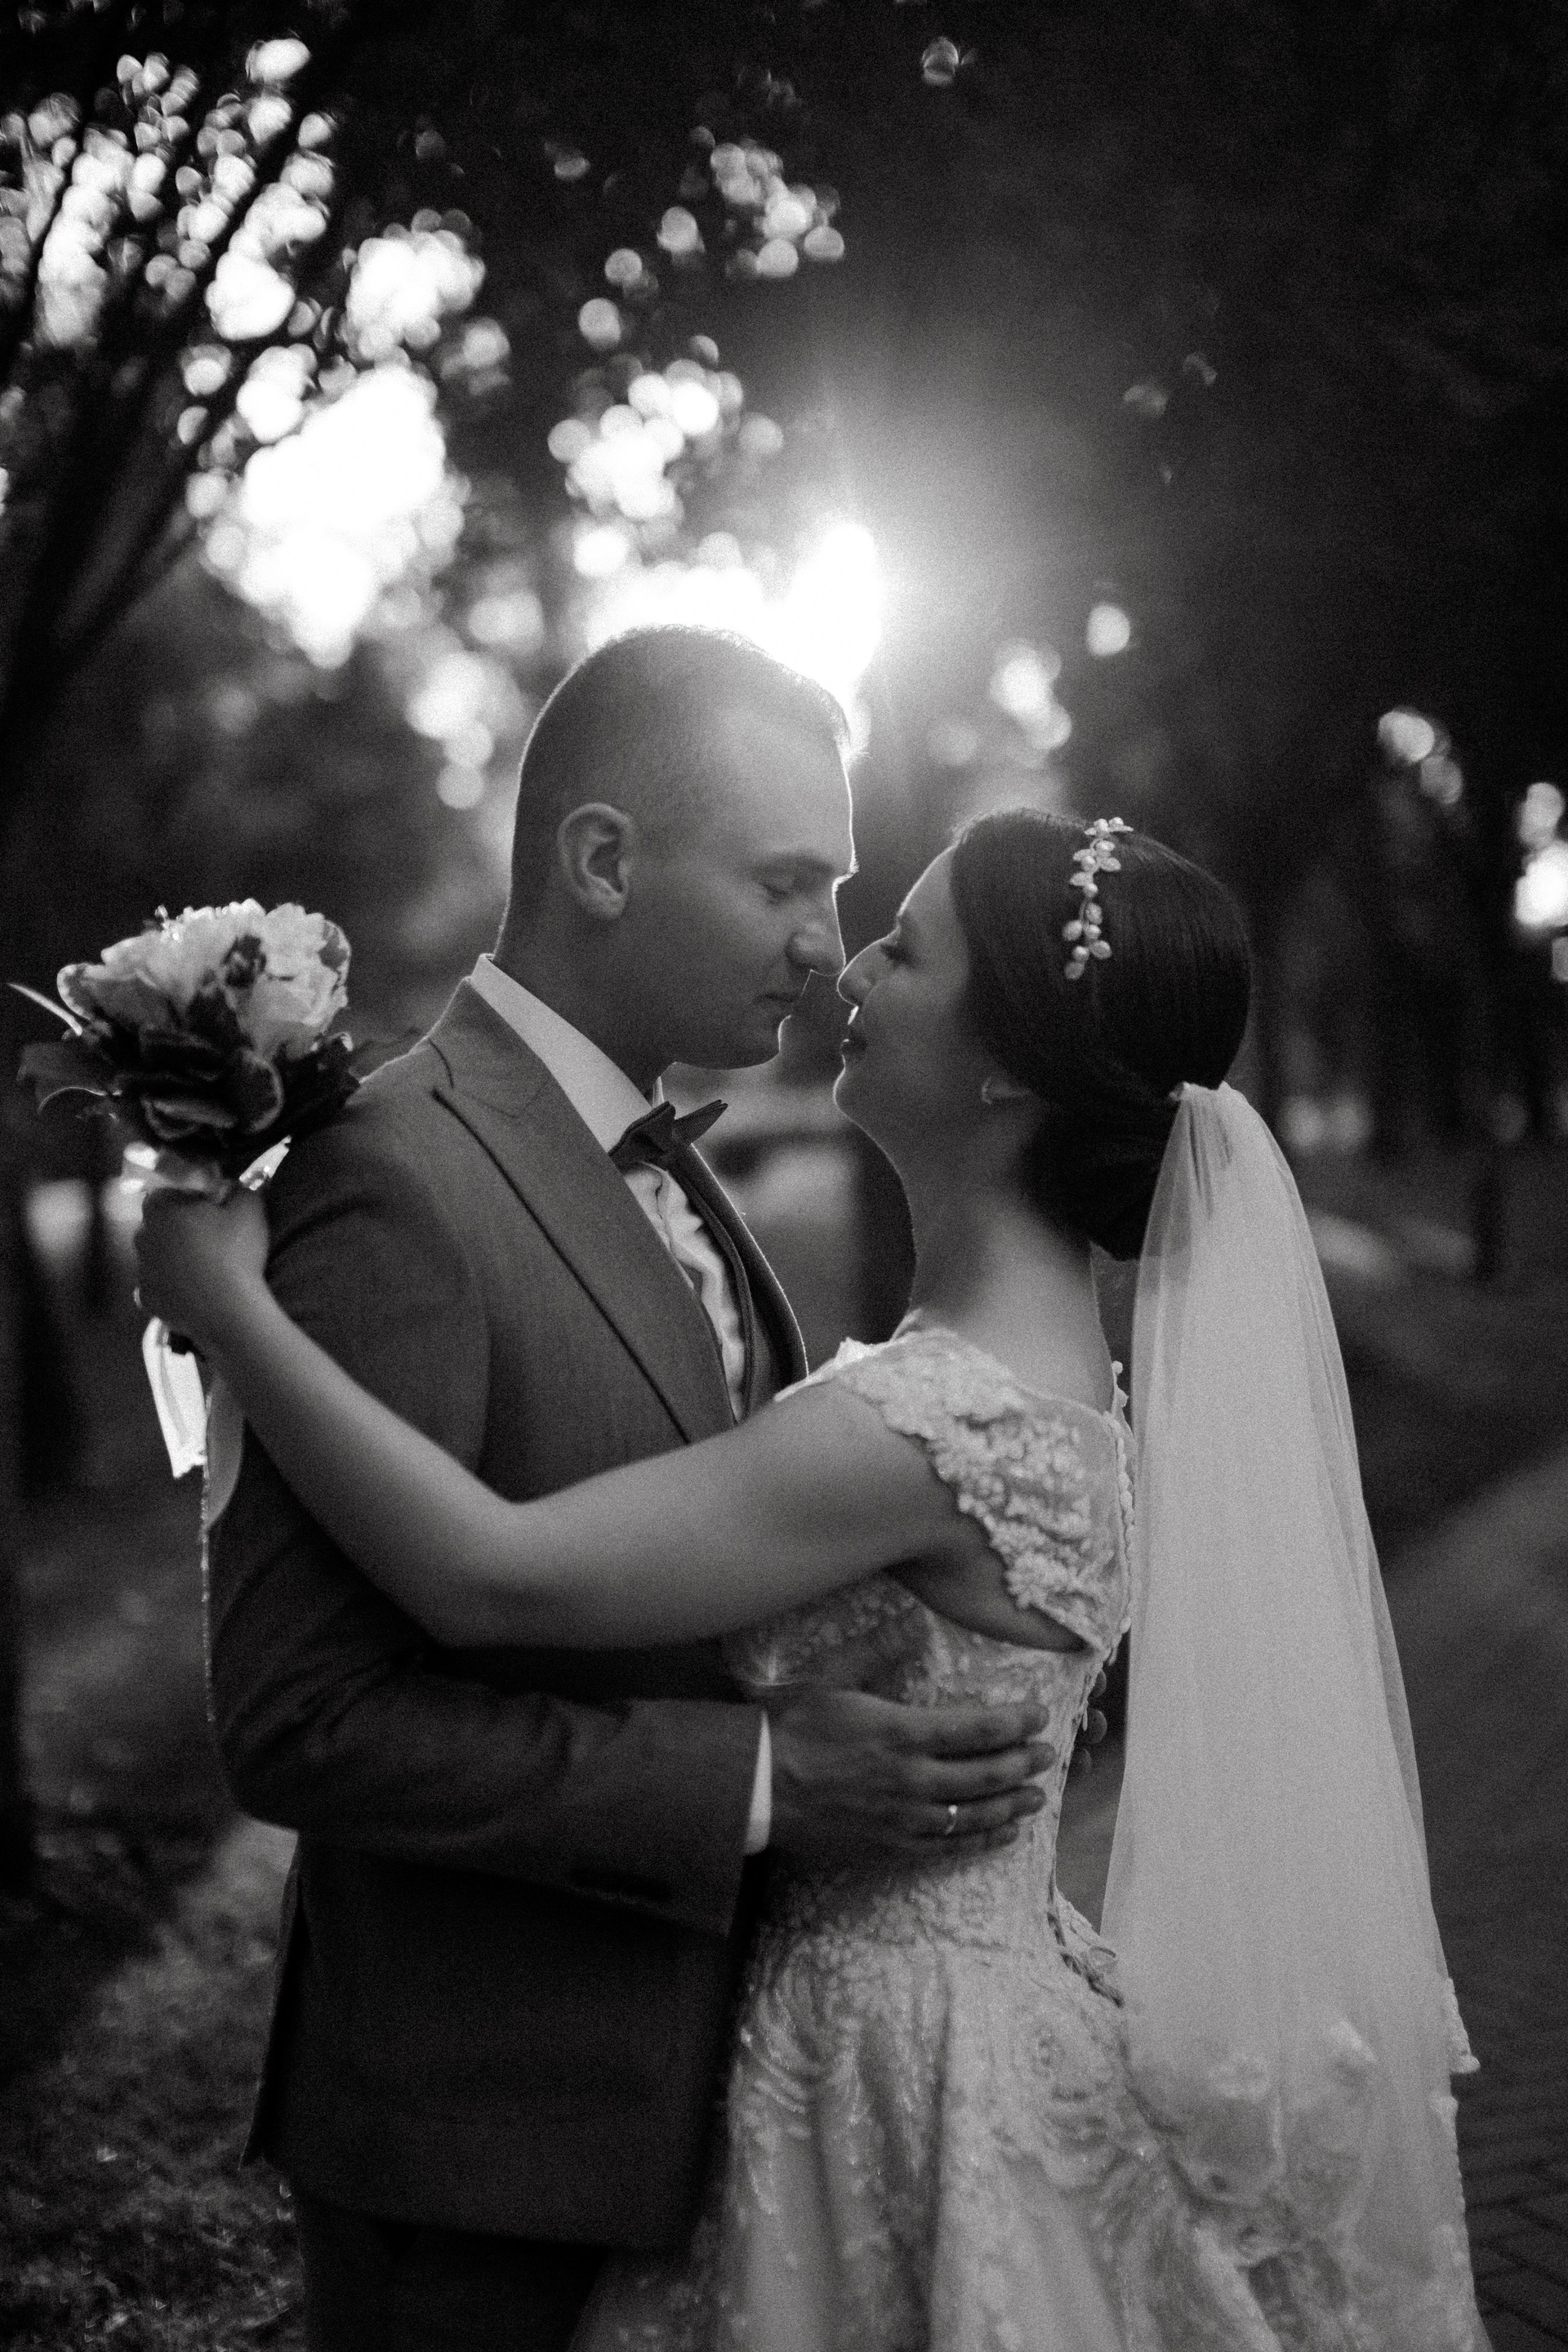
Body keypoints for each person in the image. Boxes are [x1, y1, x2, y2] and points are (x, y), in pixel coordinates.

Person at [139, 808, 1490, 2351]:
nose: (850, 966)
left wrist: (233, 1318)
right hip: (963, 2002)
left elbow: (489, 1580)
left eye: (904, 947)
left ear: (1009, 1067)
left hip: (888, 2063)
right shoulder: (1046, 1378)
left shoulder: (923, 1427)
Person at [176, 627, 1068, 2352]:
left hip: (731, 2126)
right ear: (602, 860)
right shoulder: (392, 1177)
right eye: (785, 883)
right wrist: (760, 1782)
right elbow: (300, 1723)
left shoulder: (671, 1163)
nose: (824, 948)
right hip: (485, 2151)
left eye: (841, 894)